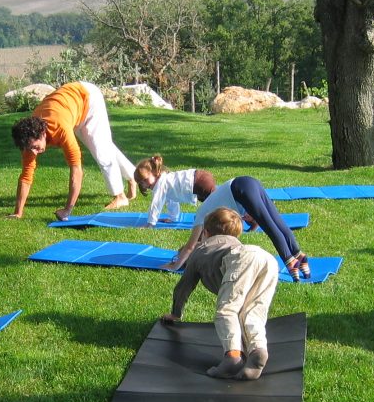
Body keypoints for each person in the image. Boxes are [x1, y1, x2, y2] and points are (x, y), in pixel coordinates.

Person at [162, 207, 279, 380]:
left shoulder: (199, 251)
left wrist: (175, 313)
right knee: (252, 312)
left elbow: (183, 287)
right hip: (268, 259)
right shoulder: (235, 244)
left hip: (242, 258)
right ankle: (258, 350)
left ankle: (232, 357)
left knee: (227, 310)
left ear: (205, 233)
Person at [9, 82, 138, 221]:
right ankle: (133, 176)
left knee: (101, 150)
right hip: (73, 105)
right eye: (30, 149)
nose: (34, 152)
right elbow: (26, 177)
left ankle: (120, 197)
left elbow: (76, 170)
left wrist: (67, 210)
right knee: (103, 144)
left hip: (88, 97)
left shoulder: (61, 128)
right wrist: (18, 212)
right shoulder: (28, 140)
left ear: (42, 133)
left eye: (35, 147)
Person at [162, 175, 310, 281]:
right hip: (247, 182)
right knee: (277, 222)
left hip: (240, 189)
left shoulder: (200, 219)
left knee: (270, 226)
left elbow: (190, 246)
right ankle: (298, 254)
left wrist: (174, 266)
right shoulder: (212, 220)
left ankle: (290, 261)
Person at [132, 154, 216, 227]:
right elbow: (172, 200)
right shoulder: (166, 180)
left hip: (199, 182)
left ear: (154, 172)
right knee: (212, 203)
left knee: (216, 205)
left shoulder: (161, 184)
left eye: (145, 180)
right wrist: (173, 218)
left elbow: (156, 204)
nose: (144, 184)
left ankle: (221, 218)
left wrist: (150, 223)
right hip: (199, 178)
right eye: (141, 183)